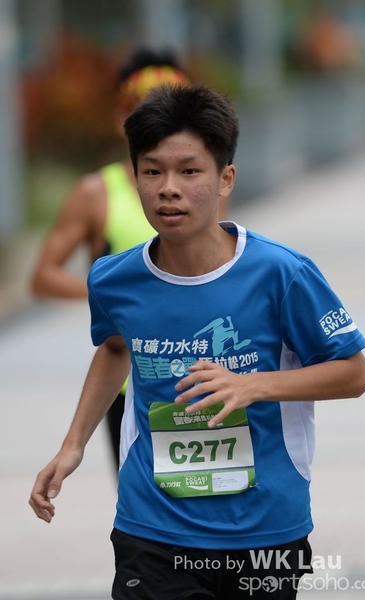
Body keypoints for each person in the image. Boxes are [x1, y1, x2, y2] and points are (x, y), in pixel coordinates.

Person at [29, 83, 365, 599]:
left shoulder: (282, 273)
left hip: (264, 529)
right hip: (152, 526)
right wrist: (72, 445)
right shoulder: (114, 278)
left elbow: (354, 373)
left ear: (225, 178)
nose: (169, 188)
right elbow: (116, 348)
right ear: (135, 178)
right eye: (152, 172)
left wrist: (251, 386)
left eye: (189, 171)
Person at [29, 48, 201, 472]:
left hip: (198, 368)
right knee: (140, 496)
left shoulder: (203, 186)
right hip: (128, 382)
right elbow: (43, 277)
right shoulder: (96, 193)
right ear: (122, 118)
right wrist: (116, 298)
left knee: (207, 488)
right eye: (149, 110)